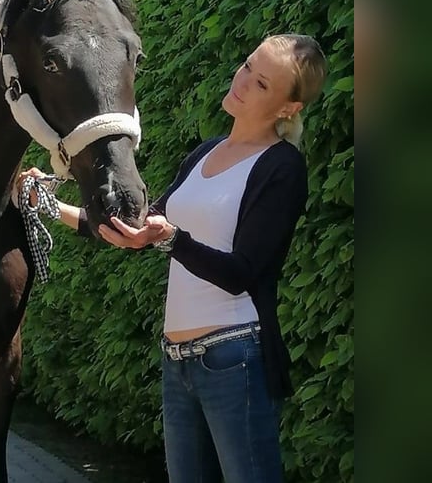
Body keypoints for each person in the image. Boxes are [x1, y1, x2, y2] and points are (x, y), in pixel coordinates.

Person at [18, 34, 328, 483]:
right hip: (177, 359)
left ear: (288, 108)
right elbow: (137, 229)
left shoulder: (282, 167)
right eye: (247, 66)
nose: (242, 81)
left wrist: (172, 240)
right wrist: (47, 202)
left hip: (235, 356)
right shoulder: (205, 153)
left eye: (261, 83)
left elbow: (242, 273)